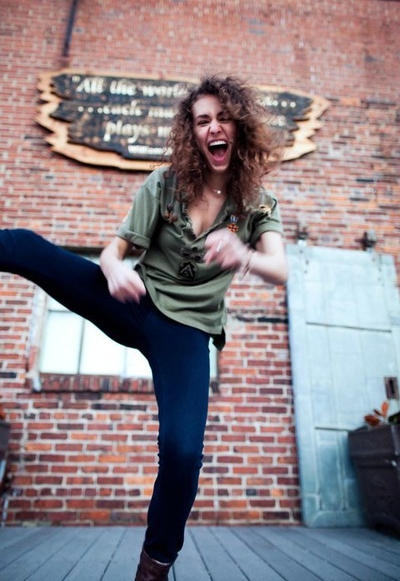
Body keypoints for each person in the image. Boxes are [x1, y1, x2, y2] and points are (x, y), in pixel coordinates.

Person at [0, 75, 288, 581]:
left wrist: (242, 254)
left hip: (187, 333)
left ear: (239, 128)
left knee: (182, 452)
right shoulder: (164, 184)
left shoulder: (258, 205)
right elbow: (116, 251)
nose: (213, 127)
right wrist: (112, 268)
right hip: (135, 301)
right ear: (191, 132)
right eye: (202, 120)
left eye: (223, 118)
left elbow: (280, 268)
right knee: (24, 245)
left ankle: (153, 566)